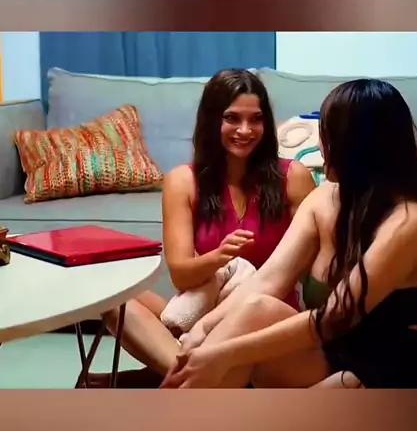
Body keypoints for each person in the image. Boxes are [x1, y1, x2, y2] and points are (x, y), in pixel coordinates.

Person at [162, 78, 417, 390]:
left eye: (329, 136)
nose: (321, 147)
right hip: (340, 353)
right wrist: (204, 330)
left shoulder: (410, 222)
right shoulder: (325, 198)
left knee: (323, 390)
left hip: (397, 369)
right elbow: (267, 281)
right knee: (256, 310)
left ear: (361, 148)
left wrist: (223, 354)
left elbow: (333, 318)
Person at [88, 68, 315, 388]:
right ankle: (197, 374)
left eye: (256, 119)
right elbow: (181, 275)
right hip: (202, 315)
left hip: (262, 321)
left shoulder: (294, 178)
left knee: (238, 320)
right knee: (114, 300)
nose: (245, 130)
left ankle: (174, 374)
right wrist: (219, 257)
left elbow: (305, 268)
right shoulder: (183, 181)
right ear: (211, 120)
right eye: (232, 118)